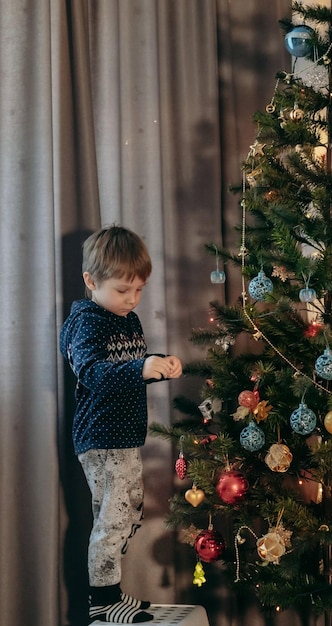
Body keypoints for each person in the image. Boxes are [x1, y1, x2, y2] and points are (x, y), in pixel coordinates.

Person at [60, 225, 182, 624]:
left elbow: (129, 365)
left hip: (125, 437)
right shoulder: (88, 322)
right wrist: (140, 368)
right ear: (90, 281)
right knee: (111, 520)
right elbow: (94, 373)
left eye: (139, 291)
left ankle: (112, 592)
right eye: (122, 291)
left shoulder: (125, 319)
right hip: (101, 438)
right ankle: (102, 604)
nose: (132, 300)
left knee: (127, 512)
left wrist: (158, 364)